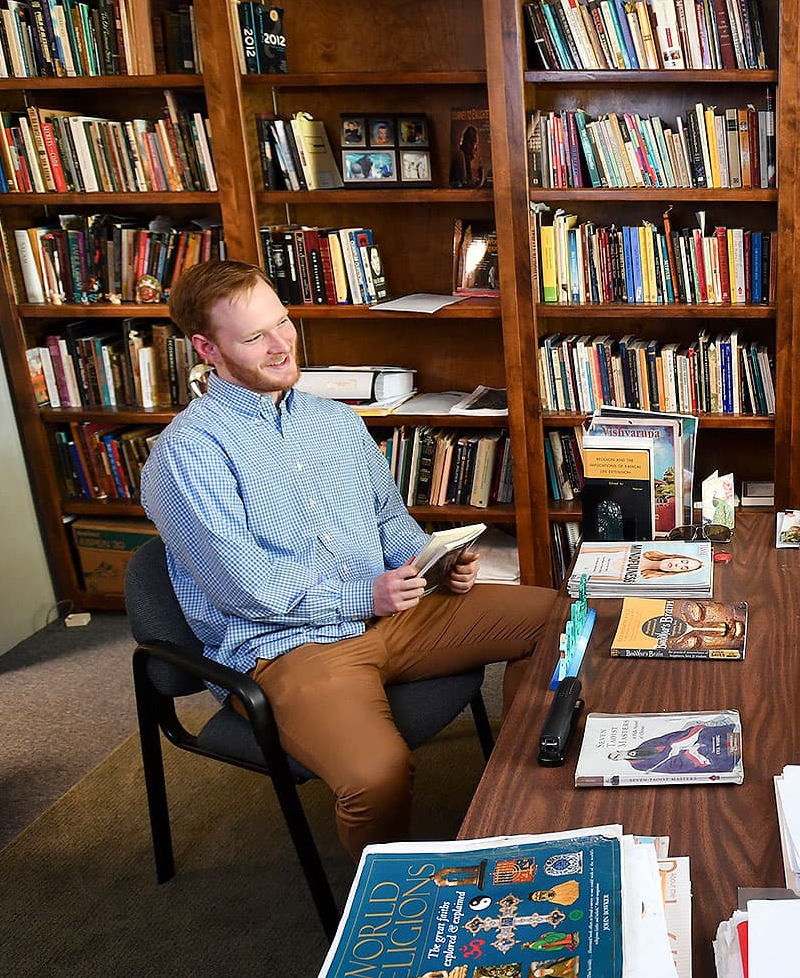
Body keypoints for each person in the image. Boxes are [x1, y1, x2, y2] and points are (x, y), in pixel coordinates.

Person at [140, 260, 559, 859]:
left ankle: (530, 802)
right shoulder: (188, 454)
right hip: (287, 649)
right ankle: (387, 927)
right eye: (255, 337)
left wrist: (433, 561)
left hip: (392, 613)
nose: (282, 344)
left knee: (559, 619)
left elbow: (387, 519)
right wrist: (366, 595)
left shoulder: (333, 421)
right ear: (207, 349)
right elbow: (245, 586)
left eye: (283, 323)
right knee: (375, 776)